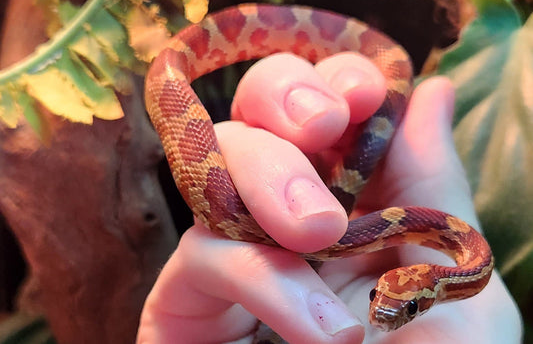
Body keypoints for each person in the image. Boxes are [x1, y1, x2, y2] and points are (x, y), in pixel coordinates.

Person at [136, 52, 522, 344]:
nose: (380, 317)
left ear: (431, 297)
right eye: (377, 297)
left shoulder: (465, 292)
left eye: (408, 309)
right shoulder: (430, 252)